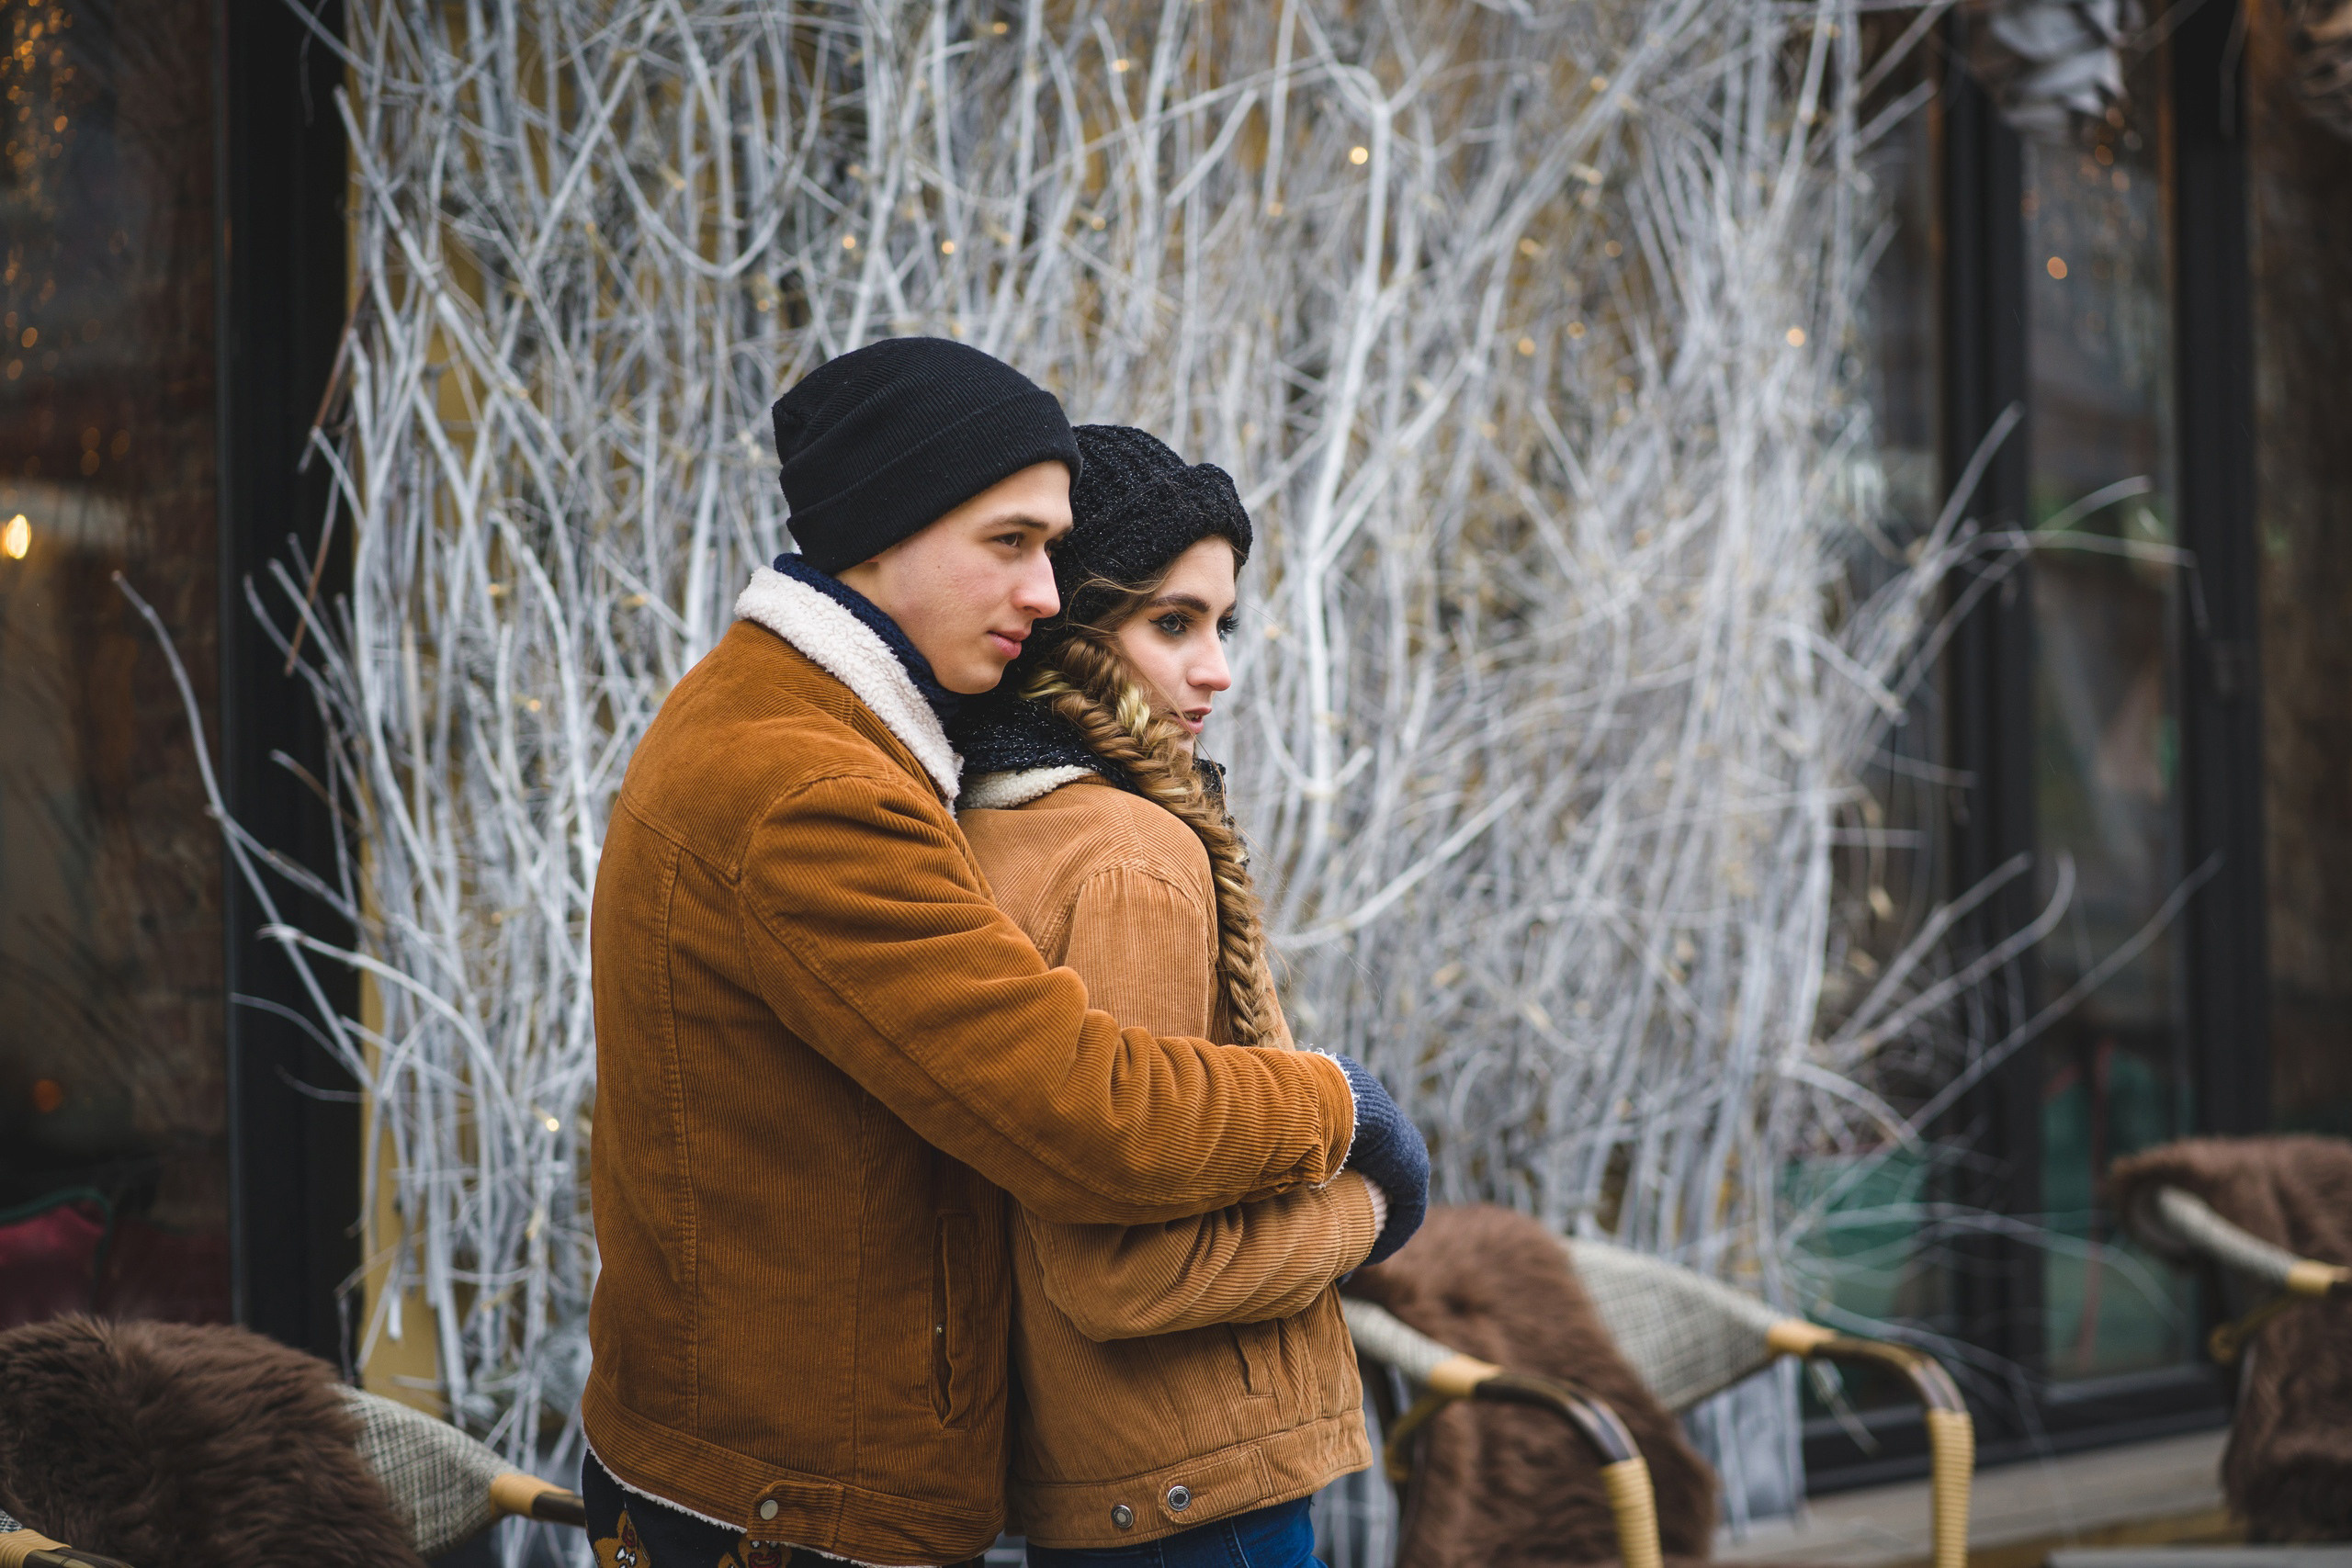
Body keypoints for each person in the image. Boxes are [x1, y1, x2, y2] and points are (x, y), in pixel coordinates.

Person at [582, 339, 1429, 1568]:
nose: (1047, 593)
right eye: (1012, 541)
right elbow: (1086, 1107)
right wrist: (1344, 1110)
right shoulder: (805, 784)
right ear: (887, 526)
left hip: (765, 1471)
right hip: (785, 1504)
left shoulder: (800, 729)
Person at [952, 425, 1428, 1568]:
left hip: (1117, 1482)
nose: (1216, 669)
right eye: (1171, 623)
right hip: (1201, 1497)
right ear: (1069, 631)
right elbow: (1130, 1268)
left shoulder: (983, 828)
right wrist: (1377, 1204)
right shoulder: (1128, 856)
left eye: (1220, 624)